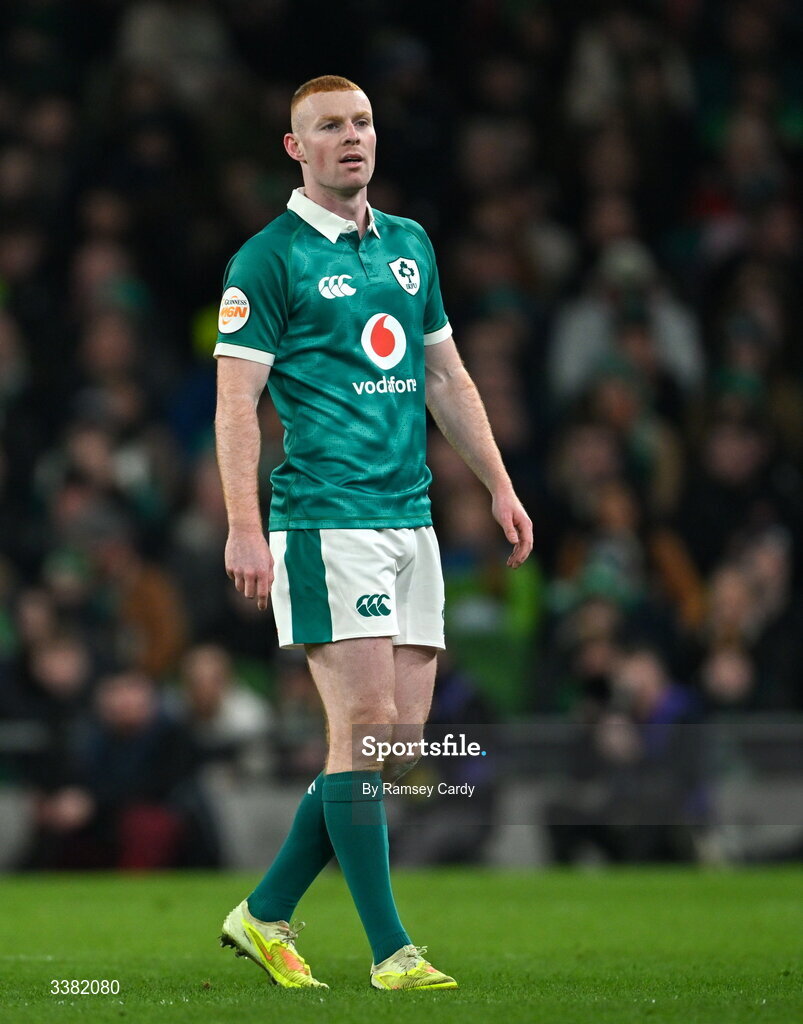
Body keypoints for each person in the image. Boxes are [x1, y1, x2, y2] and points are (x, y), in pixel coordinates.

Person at [214, 75, 532, 992]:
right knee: (362, 731)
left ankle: (264, 913)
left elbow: (447, 379)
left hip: (412, 520)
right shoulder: (266, 259)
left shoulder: (409, 245)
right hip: (324, 521)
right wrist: (244, 525)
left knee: (391, 751)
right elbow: (237, 405)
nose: (350, 138)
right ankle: (392, 952)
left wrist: (499, 485)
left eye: (360, 122)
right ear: (295, 148)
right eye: (328, 127)